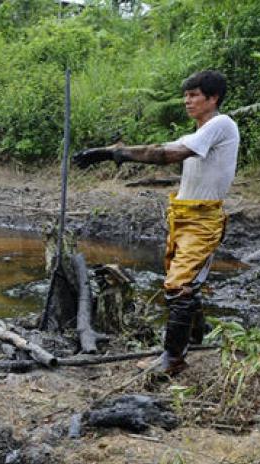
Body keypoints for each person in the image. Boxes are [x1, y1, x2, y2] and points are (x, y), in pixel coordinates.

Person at [72, 70, 240, 376]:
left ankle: (173, 358)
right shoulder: (198, 133)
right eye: (186, 95)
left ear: (213, 98)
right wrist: (109, 153)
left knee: (178, 285)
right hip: (183, 215)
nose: (187, 101)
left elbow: (166, 155)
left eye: (194, 95)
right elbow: (157, 147)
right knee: (185, 281)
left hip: (202, 219)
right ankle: (195, 335)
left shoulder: (221, 124)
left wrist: (117, 154)